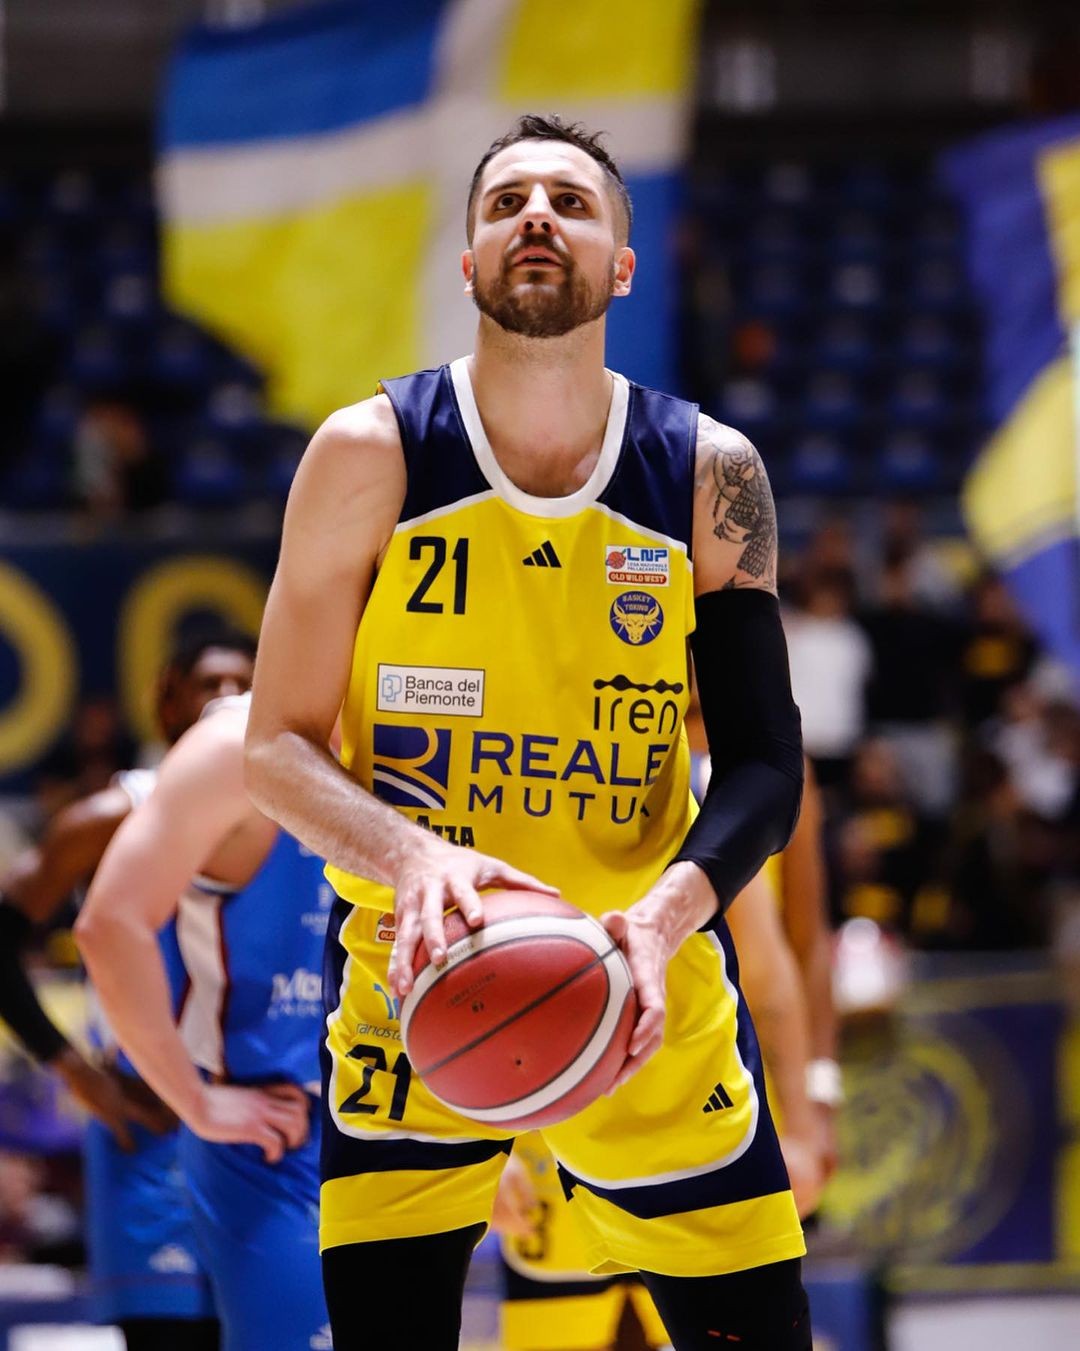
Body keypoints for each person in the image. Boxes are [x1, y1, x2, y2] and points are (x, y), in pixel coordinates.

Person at [245, 114, 808, 1350]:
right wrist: (414, 856)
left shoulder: (711, 473)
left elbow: (768, 765)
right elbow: (272, 749)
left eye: (570, 201)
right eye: (506, 203)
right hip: (418, 979)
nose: (537, 215)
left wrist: (663, 918)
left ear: (623, 265)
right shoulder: (370, 453)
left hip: (646, 977)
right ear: (468, 264)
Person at [494, 773, 835, 1351]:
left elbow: (774, 964)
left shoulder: (712, 782)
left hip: (700, 1113)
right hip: (551, 1130)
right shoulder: (515, 768)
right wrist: (482, 1143)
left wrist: (805, 1119)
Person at [0, 630, 256, 1350]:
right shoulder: (111, 816)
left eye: (245, 683)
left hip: (262, 1127)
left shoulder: (296, 813)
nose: (229, 698)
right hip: (153, 1128)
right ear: (169, 700)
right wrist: (73, 1069)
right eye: (210, 683)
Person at [75, 692, 331, 1351]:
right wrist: (183, 1096)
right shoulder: (224, 753)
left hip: (405, 1125)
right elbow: (104, 925)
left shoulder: (422, 726)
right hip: (272, 1127)